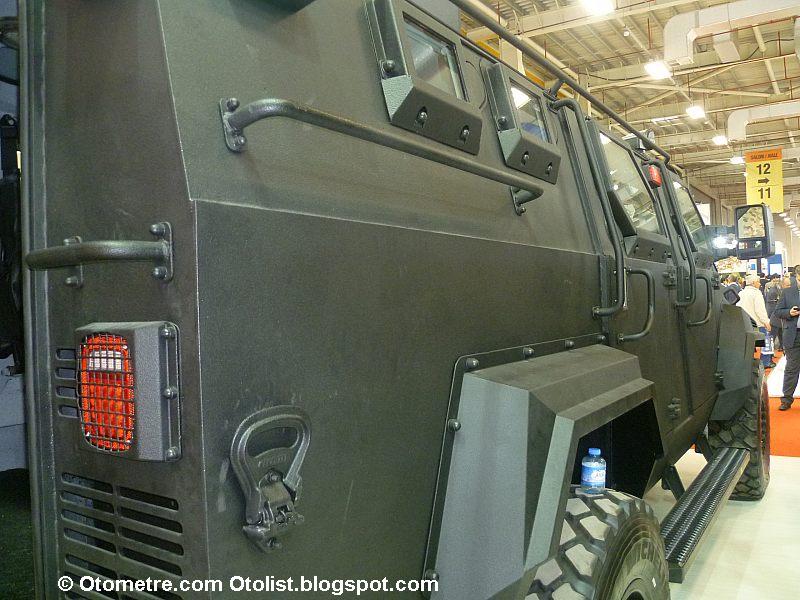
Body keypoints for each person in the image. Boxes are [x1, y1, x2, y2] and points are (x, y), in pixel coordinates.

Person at [738, 274, 774, 369]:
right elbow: (760, 310)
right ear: (754, 283)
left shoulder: (741, 293)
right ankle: (765, 362)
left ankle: (748, 363)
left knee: (748, 345)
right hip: (758, 324)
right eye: (758, 282)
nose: (759, 284)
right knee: (764, 344)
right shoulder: (756, 293)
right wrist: (766, 322)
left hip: (745, 323)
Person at [774, 280, 800, 410]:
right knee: (791, 369)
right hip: (793, 335)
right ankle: (786, 399)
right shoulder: (787, 292)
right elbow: (778, 312)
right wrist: (789, 313)